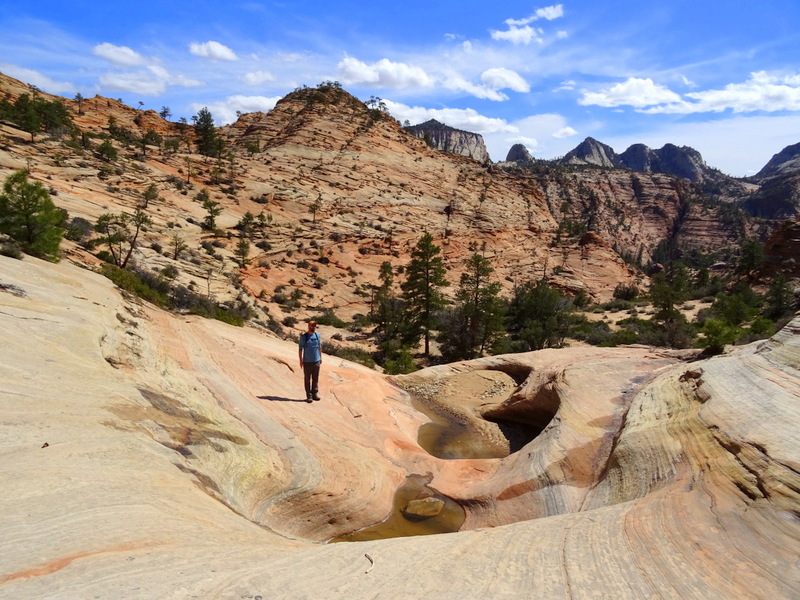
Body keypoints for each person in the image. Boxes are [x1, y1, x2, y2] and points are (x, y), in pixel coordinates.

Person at [298, 321, 322, 402]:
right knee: (307, 379)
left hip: (316, 361)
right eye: (312, 325)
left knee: (315, 378)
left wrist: (320, 357)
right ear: (308, 326)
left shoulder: (317, 335)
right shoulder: (304, 337)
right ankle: (309, 396)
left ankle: (314, 394)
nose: (314, 327)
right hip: (307, 362)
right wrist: (301, 360)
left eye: (315, 325)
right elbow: (300, 349)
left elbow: (319, 346)